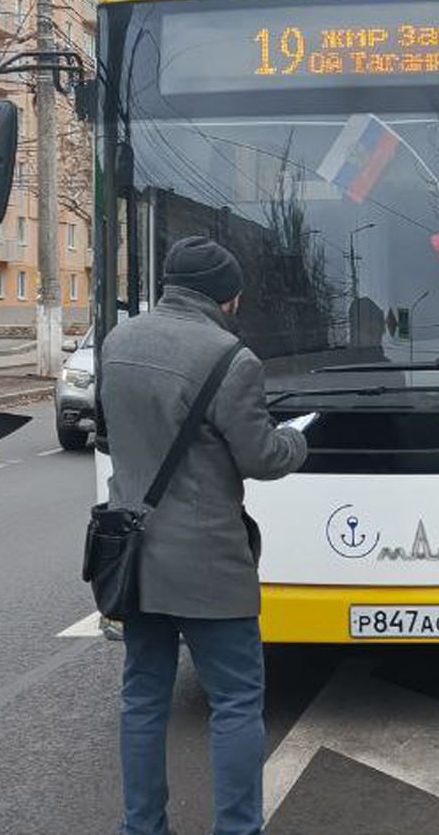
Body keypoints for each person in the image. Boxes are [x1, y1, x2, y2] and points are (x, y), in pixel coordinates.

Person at [100, 236, 308, 835]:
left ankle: (142, 828)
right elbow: (263, 457)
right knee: (237, 702)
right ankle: (238, 829)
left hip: (132, 555)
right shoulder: (230, 359)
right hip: (208, 560)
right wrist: (298, 437)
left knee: (143, 699)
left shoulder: (119, 342)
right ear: (229, 296)